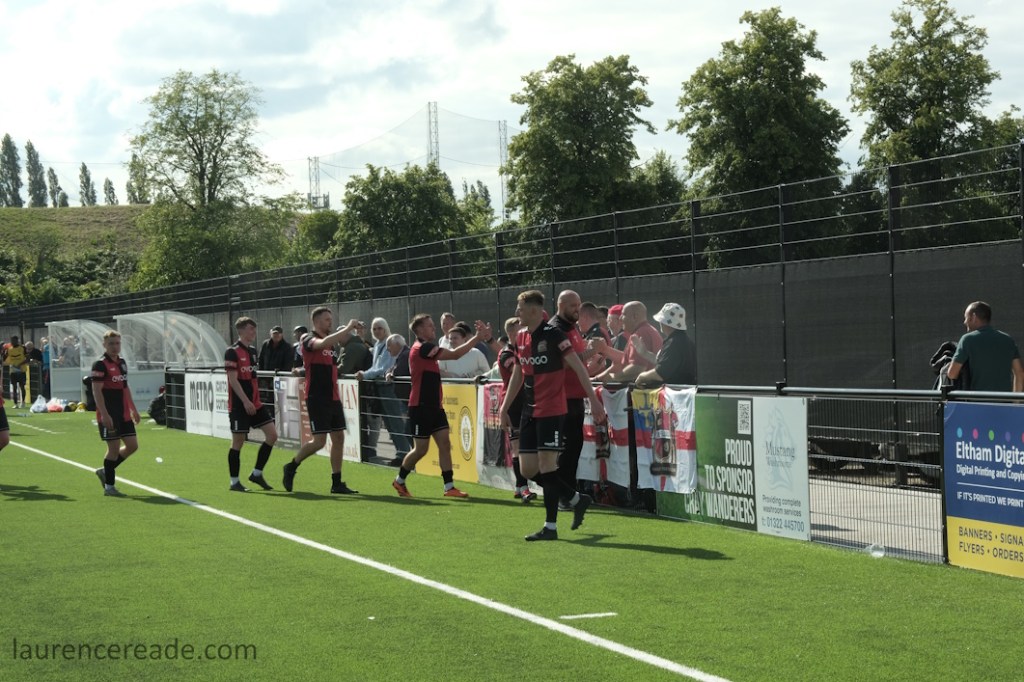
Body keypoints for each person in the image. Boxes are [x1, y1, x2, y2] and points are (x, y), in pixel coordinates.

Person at [499, 290, 607, 541]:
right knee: (528, 469)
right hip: (529, 410)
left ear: (533, 310)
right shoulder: (521, 336)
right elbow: (518, 374)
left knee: (548, 466)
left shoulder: (554, 335)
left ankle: (550, 527)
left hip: (552, 410)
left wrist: (593, 400)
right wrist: (504, 407)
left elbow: (579, 368)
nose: (517, 312)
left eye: (520, 308)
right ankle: (575, 498)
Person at [391, 313, 491, 498]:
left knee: (444, 444)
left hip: (435, 406)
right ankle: (399, 480)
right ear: (420, 329)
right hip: (421, 406)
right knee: (421, 449)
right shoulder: (423, 347)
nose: (434, 328)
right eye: (430, 325)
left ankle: (449, 487)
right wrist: (477, 337)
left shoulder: (426, 347)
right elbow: (455, 355)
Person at [282, 309, 363, 495]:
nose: (330, 323)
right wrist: (348, 328)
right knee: (319, 441)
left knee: (339, 438)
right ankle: (292, 466)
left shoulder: (331, 344)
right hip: (317, 397)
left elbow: (333, 366)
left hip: (332, 397)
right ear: (317, 322)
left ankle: (337, 483)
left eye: (330, 319)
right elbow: (322, 344)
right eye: (327, 320)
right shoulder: (308, 338)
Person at [551, 290, 603, 503]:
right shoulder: (556, 329)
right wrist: (592, 352)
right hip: (562, 398)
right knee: (566, 449)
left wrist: (591, 360)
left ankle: (569, 494)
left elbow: (577, 363)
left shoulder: (571, 327)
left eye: (579, 305)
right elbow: (563, 363)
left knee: (573, 448)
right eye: (573, 305)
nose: (578, 310)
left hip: (574, 397)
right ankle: (564, 496)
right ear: (561, 305)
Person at [225, 317, 279, 492]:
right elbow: (233, 380)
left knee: (272, 435)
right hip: (239, 405)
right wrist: (245, 401)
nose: (254, 332)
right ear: (241, 331)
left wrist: (254, 400)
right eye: (250, 329)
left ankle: (257, 473)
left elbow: (253, 378)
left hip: (255, 403)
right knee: (238, 441)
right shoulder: (232, 352)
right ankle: (234, 482)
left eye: (254, 329)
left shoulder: (253, 351)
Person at [91, 331, 141, 497]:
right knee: (113, 449)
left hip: (123, 412)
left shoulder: (122, 363)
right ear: (104, 345)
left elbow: (125, 387)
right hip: (109, 412)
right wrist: (104, 414)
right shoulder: (100, 364)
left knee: (132, 446)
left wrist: (133, 409)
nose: (115, 346)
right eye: (111, 343)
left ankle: (105, 471)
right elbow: (96, 391)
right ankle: (109, 487)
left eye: (117, 343)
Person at [357, 323, 413, 460]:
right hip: (381, 387)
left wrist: (365, 375)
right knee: (389, 423)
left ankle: (403, 453)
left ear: (386, 328)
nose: (377, 331)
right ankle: (401, 453)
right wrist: (366, 374)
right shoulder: (378, 345)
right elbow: (378, 367)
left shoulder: (390, 344)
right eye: (374, 328)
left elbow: (383, 368)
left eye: (379, 328)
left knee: (395, 422)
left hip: (389, 388)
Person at [497, 316, 536, 503]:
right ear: (512, 332)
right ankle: (523, 487)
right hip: (513, 403)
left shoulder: (521, 350)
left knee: (527, 446)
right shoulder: (507, 353)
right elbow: (519, 372)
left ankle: (520, 487)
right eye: (521, 328)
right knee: (517, 446)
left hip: (527, 401)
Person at [947, 301, 1024, 392]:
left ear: (974, 317)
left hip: (978, 399)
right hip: (1003, 399)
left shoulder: (967, 339)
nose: (964, 322)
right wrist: (1014, 399)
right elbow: (1020, 373)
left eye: (966, 317)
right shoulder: (1008, 340)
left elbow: (952, 374)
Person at [592, 301, 664, 384]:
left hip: (644, 388)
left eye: (624, 314)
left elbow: (638, 368)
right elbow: (621, 364)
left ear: (635, 317)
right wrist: (597, 379)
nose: (620, 318)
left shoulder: (641, 333)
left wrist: (614, 377)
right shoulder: (644, 331)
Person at [636, 303, 697, 386]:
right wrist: (645, 353)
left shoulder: (674, 343)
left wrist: (641, 377)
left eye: (661, 320)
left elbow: (660, 373)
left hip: (675, 393)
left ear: (665, 323)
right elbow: (666, 363)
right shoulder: (685, 341)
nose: (660, 323)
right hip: (684, 391)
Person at [3, 336, 28, 408]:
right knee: (14, 387)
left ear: (17, 341)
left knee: (22, 387)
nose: (12, 342)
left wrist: (20, 364)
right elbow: (4, 358)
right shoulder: (9, 349)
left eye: (14, 340)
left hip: (21, 370)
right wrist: (4, 353)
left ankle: (23, 402)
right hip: (13, 371)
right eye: (11, 340)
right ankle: (15, 403)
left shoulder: (22, 348)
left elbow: (28, 358)